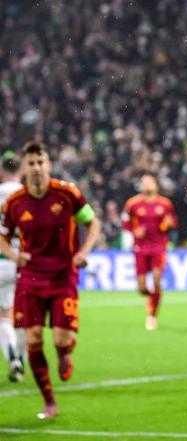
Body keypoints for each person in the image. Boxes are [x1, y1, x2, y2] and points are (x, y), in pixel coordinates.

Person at [0, 141, 100, 419]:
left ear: (49, 165)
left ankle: (64, 352)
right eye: (31, 163)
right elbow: (3, 235)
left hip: (62, 276)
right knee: (33, 339)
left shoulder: (67, 193)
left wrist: (84, 252)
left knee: (60, 339)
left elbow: (92, 222)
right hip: (30, 277)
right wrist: (13, 255)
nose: (36, 168)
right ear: (24, 168)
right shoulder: (15, 203)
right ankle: (49, 402)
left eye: (40, 162)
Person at [121, 174, 178, 331]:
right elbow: (124, 222)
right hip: (140, 248)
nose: (147, 185)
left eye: (150, 182)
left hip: (159, 246)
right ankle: (153, 298)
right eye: (144, 182)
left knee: (157, 280)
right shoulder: (132, 203)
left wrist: (170, 223)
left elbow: (173, 222)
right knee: (141, 288)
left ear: (156, 185)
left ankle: (152, 316)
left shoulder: (165, 203)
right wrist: (134, 230)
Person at [0, 154, 25, 381]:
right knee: (24, 314)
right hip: (26, 263)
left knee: (3, 315)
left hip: (2, 261)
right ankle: (21, 357)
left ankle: (13, 359)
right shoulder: (28, 195)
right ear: (22, 171)